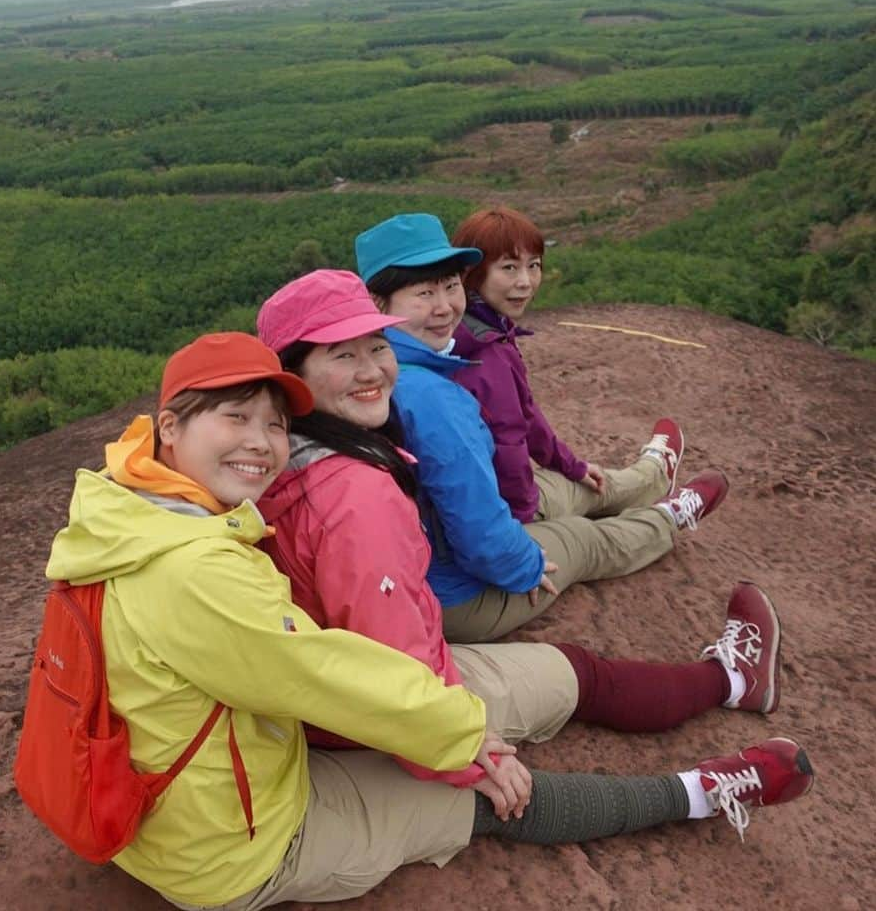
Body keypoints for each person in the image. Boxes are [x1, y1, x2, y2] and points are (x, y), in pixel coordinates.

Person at [43, 330, 812, 911]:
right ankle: (709, 792)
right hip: (232, 847)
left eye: (274, 425)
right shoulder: (191, 566)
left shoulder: (126, 509)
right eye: (234, 418)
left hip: (213, 777)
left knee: (546, 691)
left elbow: (295, 659)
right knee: (495, 799)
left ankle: (728, 684)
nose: (261, 443)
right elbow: (320, 672)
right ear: (170, 428)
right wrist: (466, 743)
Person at [354, 213, 728, 643]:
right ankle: (668, 518)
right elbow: (478, 532)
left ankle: (652, 476)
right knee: (583, 539)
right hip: (451, 595)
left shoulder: (365, 372)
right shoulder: (430, 395)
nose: (444, 307)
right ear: (378, 304)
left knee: (572, 487)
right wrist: (521, 566)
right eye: (424, 293)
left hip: (414, 573)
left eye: (450, 286)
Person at [451, 204, 681, 527]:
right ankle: (657, 475)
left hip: (481, 502)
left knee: (587, 481)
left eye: (533, 265)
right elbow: (509, 443)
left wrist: (570, 464)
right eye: (509, 268)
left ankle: (653, 474)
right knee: (593, 501)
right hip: (501, 511)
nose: (526, 282)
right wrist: (522, 518)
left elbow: (524, 414)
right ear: (472, 273)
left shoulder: (464, 328)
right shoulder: (485, 354)